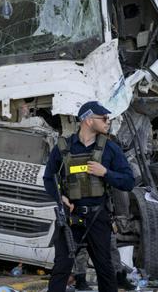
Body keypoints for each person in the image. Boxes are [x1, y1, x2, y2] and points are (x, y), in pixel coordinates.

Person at [43, 101, 135, 292]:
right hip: (70, 217)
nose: (107, 121)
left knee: (105, 269)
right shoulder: (63, 147)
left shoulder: (110, 149)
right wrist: (61, 199)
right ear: (87, 119)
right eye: (103, 118)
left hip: (97, 217)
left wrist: (105, 173)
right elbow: (48, 179)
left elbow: (128, 181)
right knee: (61, 268)